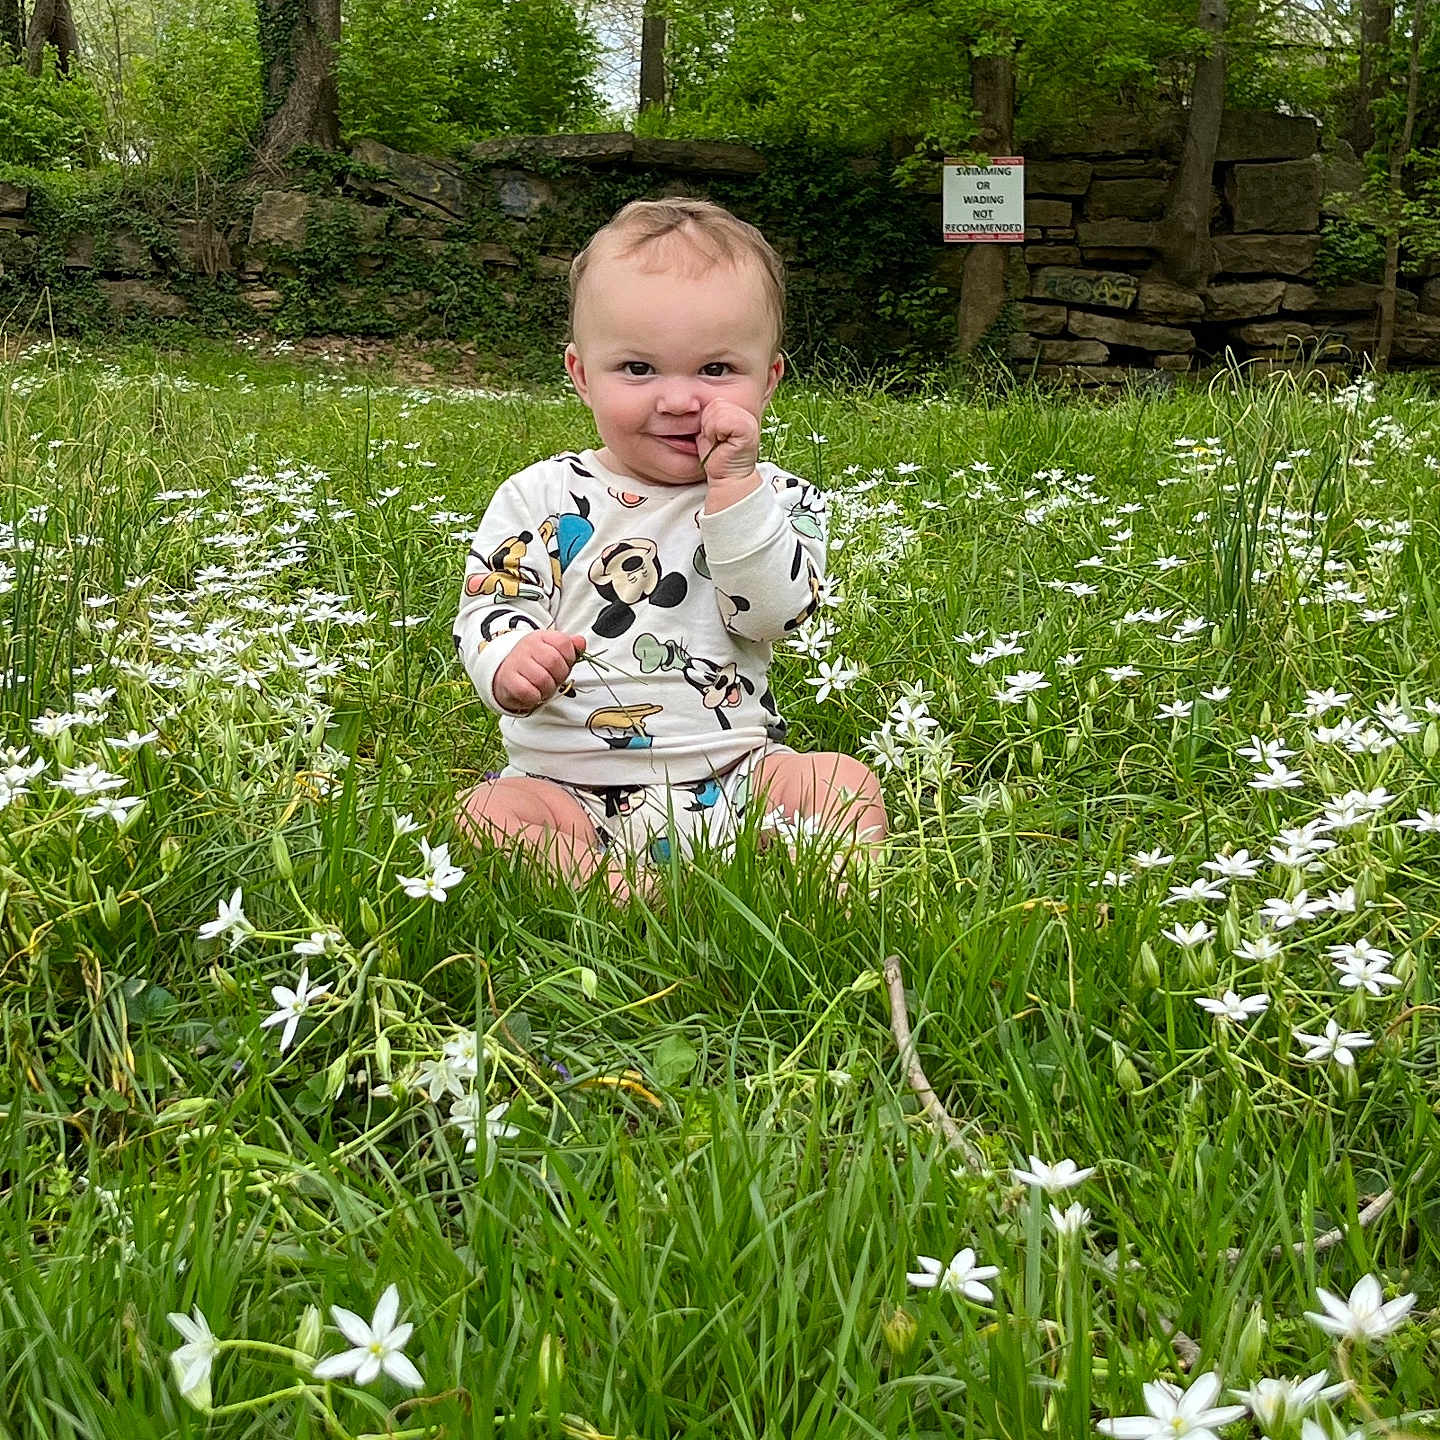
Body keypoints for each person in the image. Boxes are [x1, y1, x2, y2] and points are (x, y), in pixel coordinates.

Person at [451, 196, 887, 900]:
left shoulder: (783, 499)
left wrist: (736, 490)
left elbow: (776, 614)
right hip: (568, 786)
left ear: (768, 380)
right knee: (488, 816)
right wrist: (507, 660)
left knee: (839, 780)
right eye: (639, 369)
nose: (680, 399)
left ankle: (826, 894)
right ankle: (613, 888)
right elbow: (492, 605)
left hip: (738, 774)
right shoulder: (537, 497)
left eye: (716, 370)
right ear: (582, 374)